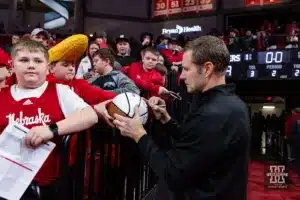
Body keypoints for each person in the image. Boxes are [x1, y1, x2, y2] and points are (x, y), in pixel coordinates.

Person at [104, 36, 250, 199]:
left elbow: (172, 174)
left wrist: (139, 134)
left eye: (187, 69)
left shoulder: (214, 113)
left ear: (207, 69)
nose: (181, 76)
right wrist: (166, 120)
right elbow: (197, 145)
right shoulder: (230, 104)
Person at [0, 39, 99, 200]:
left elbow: (89, 115)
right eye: (24, 60)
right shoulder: (2, 96)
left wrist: (51, 130)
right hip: (6, 184)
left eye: (38, 61)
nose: (31, 65)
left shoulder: (60, 91)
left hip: (50, 185)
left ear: (47, 68)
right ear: (12, 66)